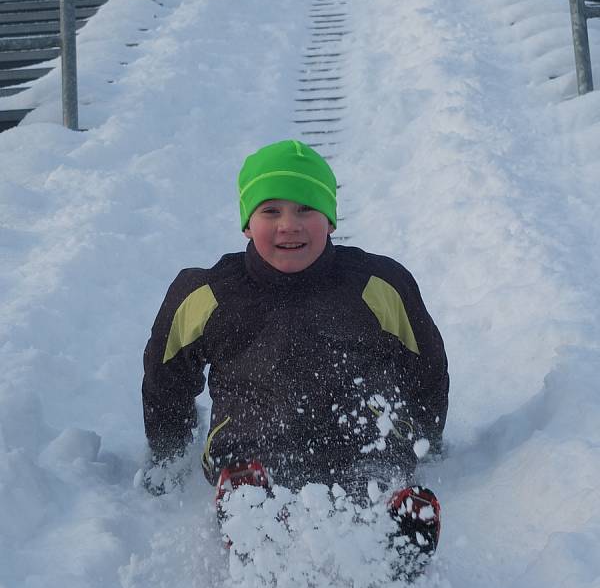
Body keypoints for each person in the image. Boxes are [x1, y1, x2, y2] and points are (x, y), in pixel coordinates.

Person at [142, 139, 449, 561]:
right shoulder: (209, 293)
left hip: (359, 437)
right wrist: (168, 448)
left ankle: (394, 532)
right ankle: (249, 518)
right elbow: (167, 375)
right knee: (247, 466)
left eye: (306, 209)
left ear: (331, 220)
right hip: (254, 442)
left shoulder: (378, 284)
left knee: (378, 462)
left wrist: (427, 435)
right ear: (247, 224)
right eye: (271, 211)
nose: (290, 224)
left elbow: (425, 364)